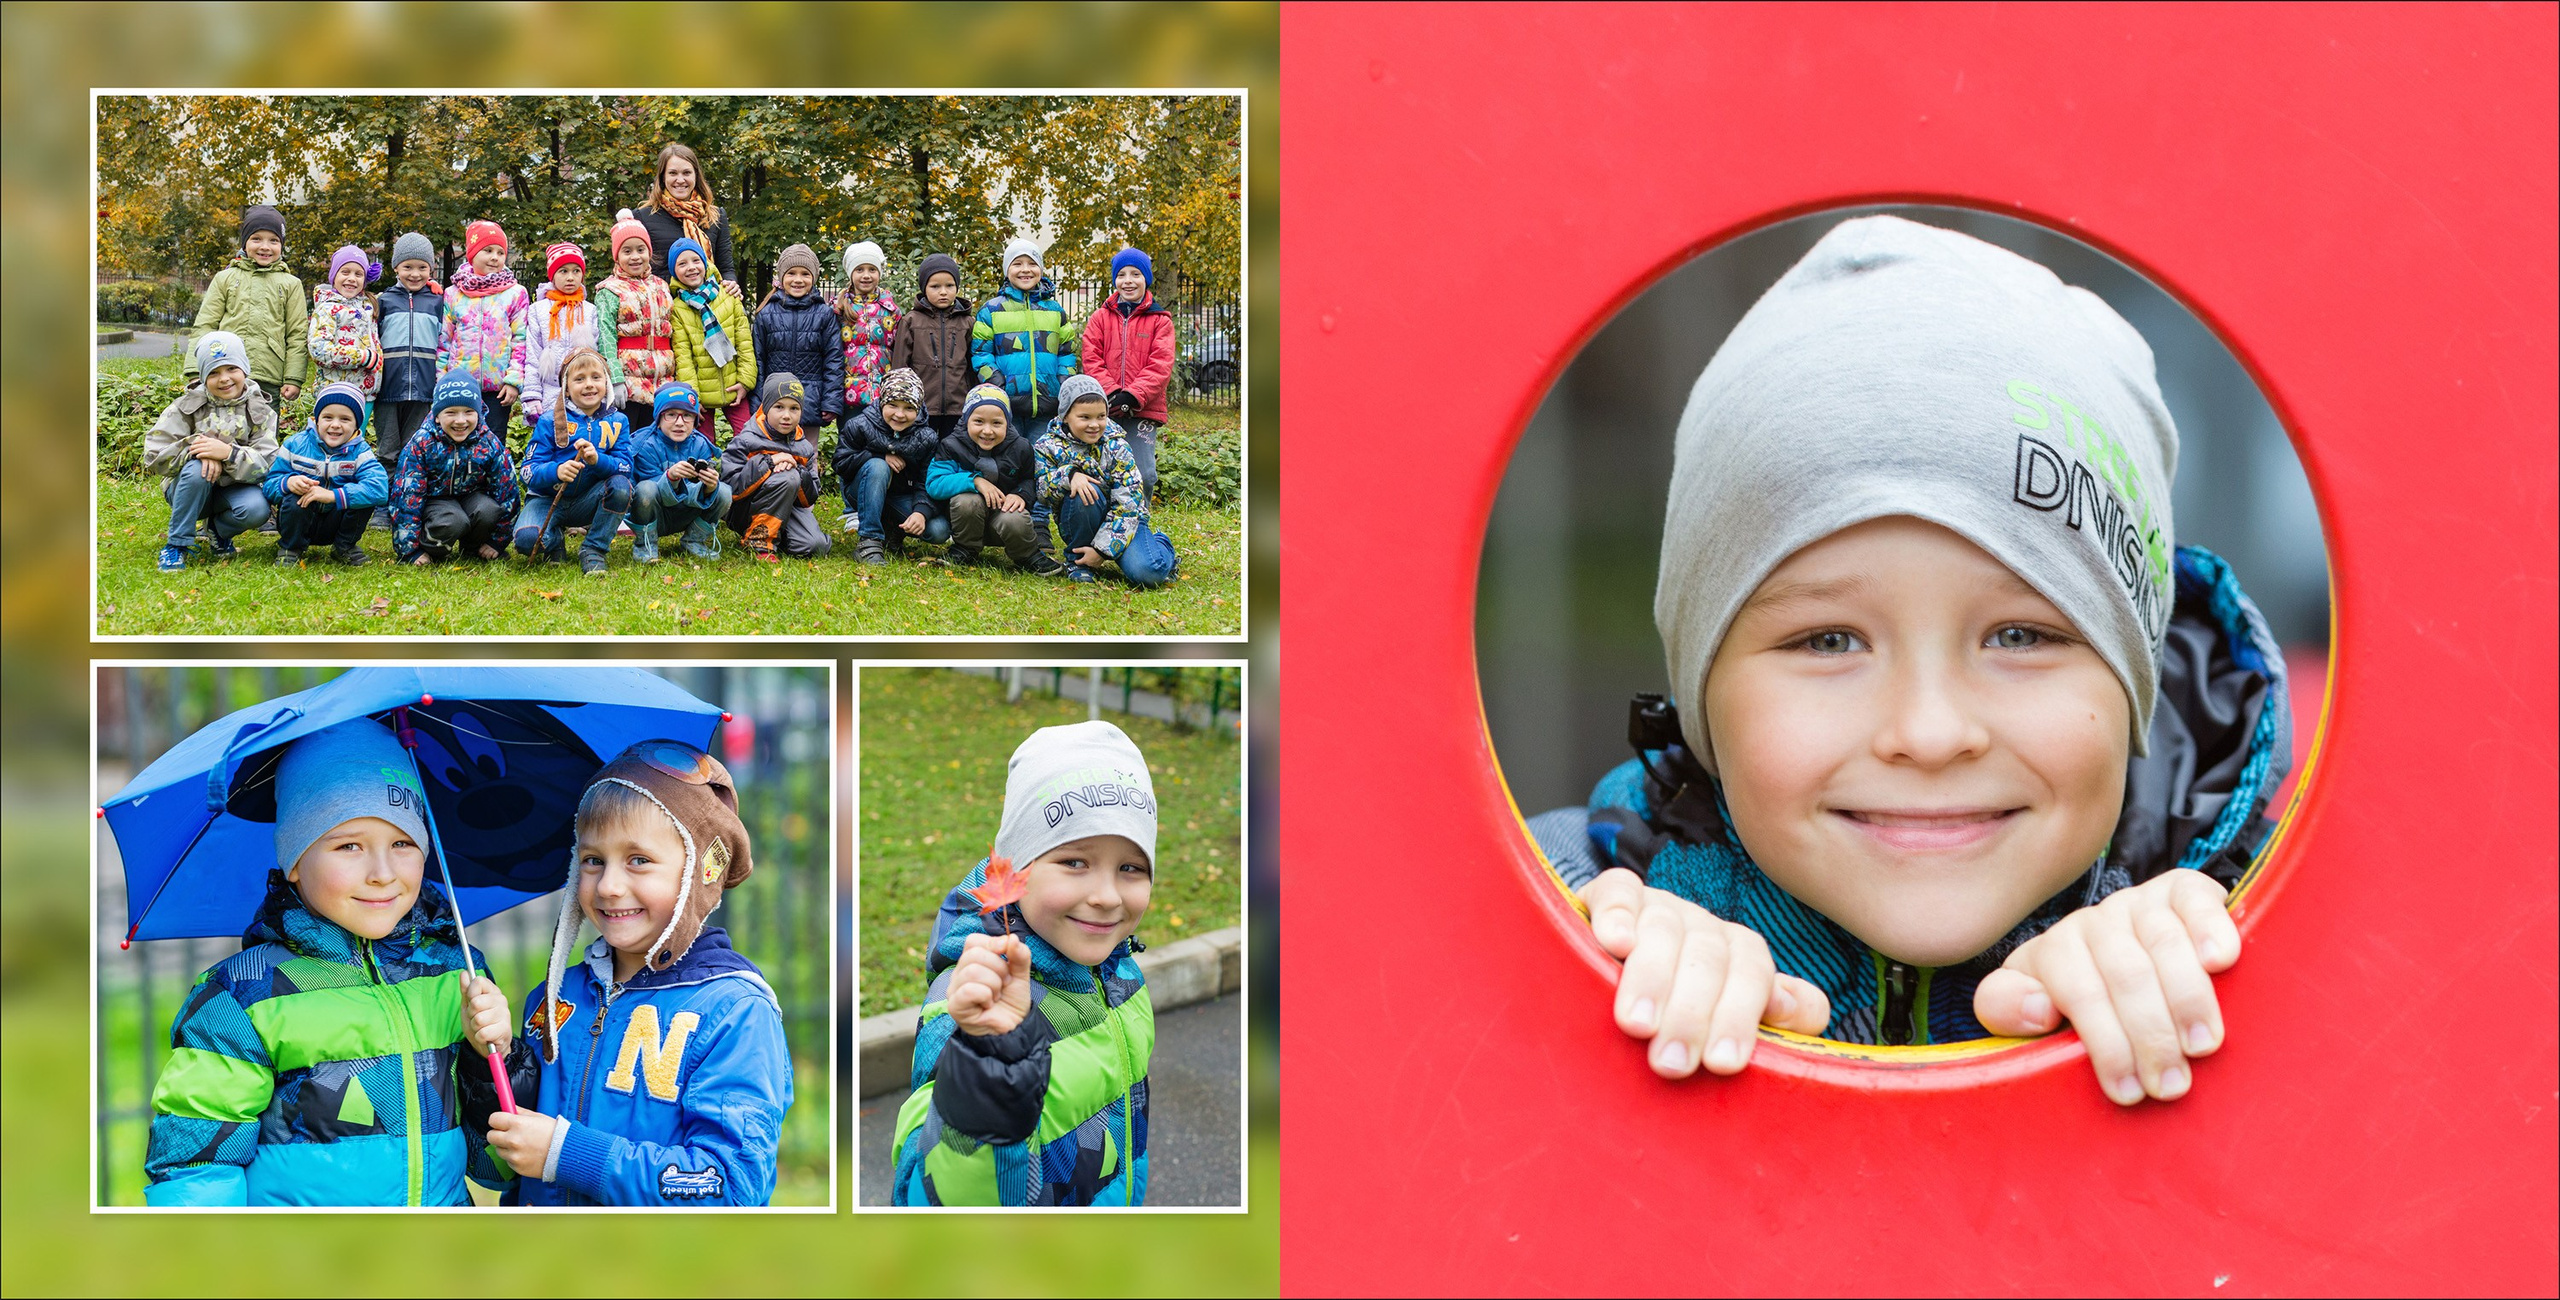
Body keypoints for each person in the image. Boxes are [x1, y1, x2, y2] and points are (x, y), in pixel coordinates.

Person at [1530, 216, 2290, 1106]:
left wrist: (2179, 978)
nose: (1928, 733)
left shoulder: (2255, 929)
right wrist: (1592, 975)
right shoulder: (1584, 907)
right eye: (1828, 641)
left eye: (2021, 636)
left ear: (2134, 686)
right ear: (1703, 693)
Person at [142, 717, 514, 1206]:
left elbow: (498, 1168)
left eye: (403, 843)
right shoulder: (242, 995)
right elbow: (196, 1164)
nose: (382, 874)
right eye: (349, 846)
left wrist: (490, 1059)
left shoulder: (454, 971)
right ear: (295, 862)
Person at [472, 742, 792, 1206]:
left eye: (638, 860)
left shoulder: (735, 1013)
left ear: (696, 877)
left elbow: (730, 1187)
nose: (609, 885)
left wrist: (568, 1154)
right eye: (592, 860)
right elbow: (500, 1170)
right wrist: (495, 1060)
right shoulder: (553, 999)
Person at [889, 720, 1161, 1207]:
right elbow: (926, 1194)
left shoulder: (1121, 975)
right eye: (1075, 862)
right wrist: (989, 1066)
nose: (1105, 896)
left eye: (1131, 867)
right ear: (1014, 871)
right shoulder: (973, 1004)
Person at [146, 331, 278, 572]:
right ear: (203, 377)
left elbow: (267, 465)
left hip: (234, 490)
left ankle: (217, 531)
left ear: (244, 370)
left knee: (257, 509)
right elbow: (154, 456)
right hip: (187, 491)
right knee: (199, 468)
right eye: (214, 372)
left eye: (232, 369)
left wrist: (228, 453)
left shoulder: (261, 410)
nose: (224, 379)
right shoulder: (186, 406)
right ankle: (177, 544)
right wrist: (199, 449)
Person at [1036, 375, 1173, 587]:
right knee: (1084, 490)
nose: (1094, 425)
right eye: (1084, 417)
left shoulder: (1117, 445)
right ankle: (1078, 561)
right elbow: (1041, 490)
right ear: (1065, 417)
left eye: (1101, 416)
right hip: (1083, 514)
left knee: (1149, 574)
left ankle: (1161, 544)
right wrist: (1069, 476)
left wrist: (1101, 550)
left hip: (1125, 521)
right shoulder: (1046, 446)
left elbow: (1129, 503)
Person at [512, 348, 632, 576]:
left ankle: (593, 549)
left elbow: (626, 467)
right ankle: (554, 540)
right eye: (579, 379)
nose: (589, 385)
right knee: (526, 541)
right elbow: (527, 472)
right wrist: (556, 471)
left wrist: (599, 460)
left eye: (596, 377)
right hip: (549, 499)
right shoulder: (549, 420)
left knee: (621, 487)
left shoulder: (618, 421)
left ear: (606, 383)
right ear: (567, 388)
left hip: (589, 499)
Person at [926, 383, 1061, 575]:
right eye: (979, 422)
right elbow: (935, 482)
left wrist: (1021, 495)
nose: (987, 431)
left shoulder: (1021, 447)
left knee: (1015, 517)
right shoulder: (951, 445)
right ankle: (966, 548)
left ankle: (1027, 555)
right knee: (966, 500)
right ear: (966, 420)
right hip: (965, 519)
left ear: (1008, 422)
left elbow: (1029, 480)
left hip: (1003, 518)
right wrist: (975, 481)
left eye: (996, 423)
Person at [186, 203, 307, 411]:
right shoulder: (225, 278)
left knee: (264, 433)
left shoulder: (291, 284)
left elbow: (297, 334)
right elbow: (205, 325)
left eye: (274, 240)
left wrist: (294, 377)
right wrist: (194, 369)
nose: (265, 247)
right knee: (222, 428)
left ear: (282, 245)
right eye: (256, 238)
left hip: (268, 374)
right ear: (244, 243)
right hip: (225, 370)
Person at [1077, 246, 1176, 500]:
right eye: (1121, 275)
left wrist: (1133, 394)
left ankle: (1139, 523)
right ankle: (1106, 521)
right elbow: (1091, 357)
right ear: (1114, 280)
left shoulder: (1160, 320)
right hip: (1105, 408)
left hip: (1142, 408)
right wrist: (1111, 392)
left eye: (1136, 274)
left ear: (1146, 279)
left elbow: (1161, 363)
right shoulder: (1100, 318)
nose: (1128, 281)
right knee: (1104, 468)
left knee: (1143, 473)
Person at [392, 369, 517, 565]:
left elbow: (506, 492)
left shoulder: (488, 443)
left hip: (471, 498)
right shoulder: (422, 443)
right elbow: (407, 496)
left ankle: (474, 548)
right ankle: (432, 548)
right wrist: (409, 550)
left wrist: (498, 541)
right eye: (451, 412)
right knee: (453, 519)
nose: (460, 421)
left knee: (489, 510)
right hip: (435, 503)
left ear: (479, 412)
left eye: (468, 412)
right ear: (437, 415)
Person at [263, 381, 388, 567]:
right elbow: (269, 486)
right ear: (316, 419)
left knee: (363, 498)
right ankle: (291, 548)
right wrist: (287, 483)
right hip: (301, 517)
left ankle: (343, 546)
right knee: (292, 498)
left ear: (356, 425)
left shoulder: (360, 452)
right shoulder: (294, 444)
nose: (335, 425)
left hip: (336, 521)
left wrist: (333, 495)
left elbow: (380, 489)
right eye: (328, 417)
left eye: (345, 419)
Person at [970, 238, 1079, 437]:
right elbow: (981, 353)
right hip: (1006, 405)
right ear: (1007, 269)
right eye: (1017, 264)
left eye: (1032, 264)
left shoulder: (1055, 311)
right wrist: (998, 384)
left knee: (1041, 460)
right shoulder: (992, 310)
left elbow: (1067, 352)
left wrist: (1062, 383)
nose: (1025, 269)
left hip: (1047, 404)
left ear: (1041, 269)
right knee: (1011, 462)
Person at [836, 367, 947, 564]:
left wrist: (921, 512)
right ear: (882, 402)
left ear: (919, 408)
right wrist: (878, 455)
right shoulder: (859, 425)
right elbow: (841, 464)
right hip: (861, 490)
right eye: (893, 405)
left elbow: (927, 480)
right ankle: (869, 540)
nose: (900, 414)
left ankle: (893, 530)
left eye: (909, 408)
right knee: (878, 466)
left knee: (938, 530)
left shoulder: (927, 437)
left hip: (900, 496)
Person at [373, 232, 446, 523]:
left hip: (425, 389)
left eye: (421, 267)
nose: (414, 274)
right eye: (407, 267)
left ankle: (410, 503)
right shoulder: (384, 301)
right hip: (388, 388)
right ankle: (382, 505)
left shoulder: (437, 302)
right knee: (387, 450)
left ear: (431, 269)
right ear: (396, 269)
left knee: (415, 450)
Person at [719, 372, 828, 562]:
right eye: (779, 407)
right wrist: (769, 463)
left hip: (785, 508)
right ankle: (759, 540)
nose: (786, 416)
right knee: (787, 477)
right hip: (745, 510)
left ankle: (776, 533)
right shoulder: (746, 440)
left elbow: (810, 498)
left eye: (794, 408)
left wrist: (799, 471)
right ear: (766, 408)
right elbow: (729, 489)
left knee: (815, 546)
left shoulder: (804, 447)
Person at [439, 219, 530, 442]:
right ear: (472, 254)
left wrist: (513, 380)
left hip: (498, 388)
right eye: (488, 250)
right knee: (458, 439)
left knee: (493, 440)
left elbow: (521, 339)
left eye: (500, 252)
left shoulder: (515, 293)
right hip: (459, 383)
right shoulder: (453, 294)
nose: (495, 257)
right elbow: (444, 341)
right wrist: (442, 380)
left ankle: (491, 478)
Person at [594, 210, 678, 435]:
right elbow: (606, 336)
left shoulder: (662, 286)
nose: (635, 257)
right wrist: (615, 379)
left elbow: (673, 331)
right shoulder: (610, 290)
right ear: (616, 255)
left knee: (655, 440)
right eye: (627, 251)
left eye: (641, 250)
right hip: (628, 381)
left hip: (663, 379)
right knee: (628, 438)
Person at [627, 382, 729, 563]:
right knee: (646, 489)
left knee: (724, 492)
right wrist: (671, 478)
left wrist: (709, 488)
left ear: (695, 420)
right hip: (655, 515)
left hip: (687, 512)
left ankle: (693, 540)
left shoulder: (701, 445)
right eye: (671, 415)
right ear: (658, 419)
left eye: (688, 416)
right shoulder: (644, 445)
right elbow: (645, 494)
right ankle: (645, 544)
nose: (680, 423)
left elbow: (702, 493)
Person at [751, 243, 844, 439]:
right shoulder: (766, 314)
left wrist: (830, 401)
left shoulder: (824, 315)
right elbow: (758, 360)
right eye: (792, 273)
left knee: (808, 455)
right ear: (781, 277)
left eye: (805, 274)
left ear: (814, 278)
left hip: (810, 402)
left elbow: (833, 360)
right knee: (772, 454)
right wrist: (758, 400)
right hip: (774, 401)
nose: (798, 280)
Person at [668, 237, 757, 441]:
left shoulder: (727, 295)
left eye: (696, 261)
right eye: (682, 264)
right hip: (701, 393)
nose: (691, 267)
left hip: (734, 384)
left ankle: (742, 473)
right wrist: (692, 396)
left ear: (705, 263)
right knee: (703, 445)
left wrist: (745, 381)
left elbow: (745, 343)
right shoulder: (678, 308)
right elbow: (684, 358)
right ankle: (705, 473)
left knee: (748, 438)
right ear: (674, 271)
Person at [514, 242, 602, 432]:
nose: (570, 277)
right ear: (552, 274)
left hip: (584, 394)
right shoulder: (539, 310)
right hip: (548, 394)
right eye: (563, 271)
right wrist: (532, 395)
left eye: (576, 271)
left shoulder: (590, 311)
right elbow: (532, 356)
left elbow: (597, 356)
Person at [631, 142, 738, 293]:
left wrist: (731, 283)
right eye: (673, 173)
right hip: (665, 308)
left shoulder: (716, 216)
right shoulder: (643, 217)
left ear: (696, 175)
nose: (680, 180)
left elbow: (726, 269)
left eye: (686, 173)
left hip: (709, 306)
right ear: (662, 177)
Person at [889, 252, 975, 436]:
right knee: (921, 456)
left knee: (950, 456)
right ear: (924, 288)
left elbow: (972, 365)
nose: (943, 292)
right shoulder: (911, 321)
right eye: (935, 286)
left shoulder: (967, 323)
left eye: (949, 285)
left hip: (958, 406)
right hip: (921, 406)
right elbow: (900, 366)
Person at [835, 240, 900, 431]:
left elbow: (899, 349)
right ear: (850, 273)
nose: (866, 275)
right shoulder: (839, 309)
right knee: (850, 443)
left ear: (879, 272)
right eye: (859, 270)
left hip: (883, 393)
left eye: (872, 269)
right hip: (849, 395)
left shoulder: (890, 309)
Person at [306, 245, 382, 402]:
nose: (352, 278)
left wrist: (427, 286)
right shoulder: (327, 309)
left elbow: (398, 297)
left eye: (358, 274)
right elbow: (319, 350)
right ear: (334, 276)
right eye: (345, 272)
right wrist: (362, 357)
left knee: (358, 428)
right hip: (335, 392)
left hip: (365, 393)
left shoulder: (369, 305)